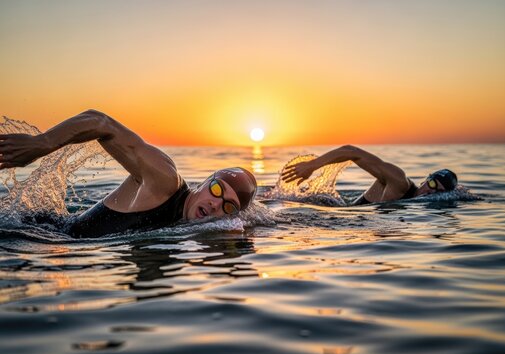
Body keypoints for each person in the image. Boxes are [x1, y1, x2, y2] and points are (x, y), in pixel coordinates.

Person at [0, 109, 257, 237]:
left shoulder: (192, 222)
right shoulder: (164, 180)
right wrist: (40, 144)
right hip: (40, 234)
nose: (214, 205)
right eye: (216, 190)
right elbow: (99, 122)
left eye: (228, 207)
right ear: (205, 181)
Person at [281, 145, 457, 205]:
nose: (431, 192)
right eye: (433, 185)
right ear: (427, 180)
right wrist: (312, 165)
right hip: (340, 213)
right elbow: (350, 151)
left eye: (439, 192)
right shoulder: (399, 181)